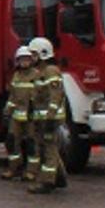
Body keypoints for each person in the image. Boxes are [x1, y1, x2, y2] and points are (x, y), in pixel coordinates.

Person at [28, 37, 67, 194]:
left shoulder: (50, 71)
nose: (31, 58)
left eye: (34, 54)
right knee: (48, 147)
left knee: (48, 149)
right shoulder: (41, 72)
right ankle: (60, 177)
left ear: (43, 54)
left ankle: (47, 182)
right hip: (42, 118)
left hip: (50, 119)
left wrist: (50, 117)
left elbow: (55, 95)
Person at [1, 46, 37, 182]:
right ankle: (14, 168)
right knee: (11, 142)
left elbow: (38, 97)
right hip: (16, 116)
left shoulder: (36, 75)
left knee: (32, 144)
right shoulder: (16, 76)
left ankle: (31, 172)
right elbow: (12, 97)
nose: (24, 62)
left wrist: (34, 111)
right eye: (22, 59)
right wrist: (6, 112)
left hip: (31, 117)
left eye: (27, 59)